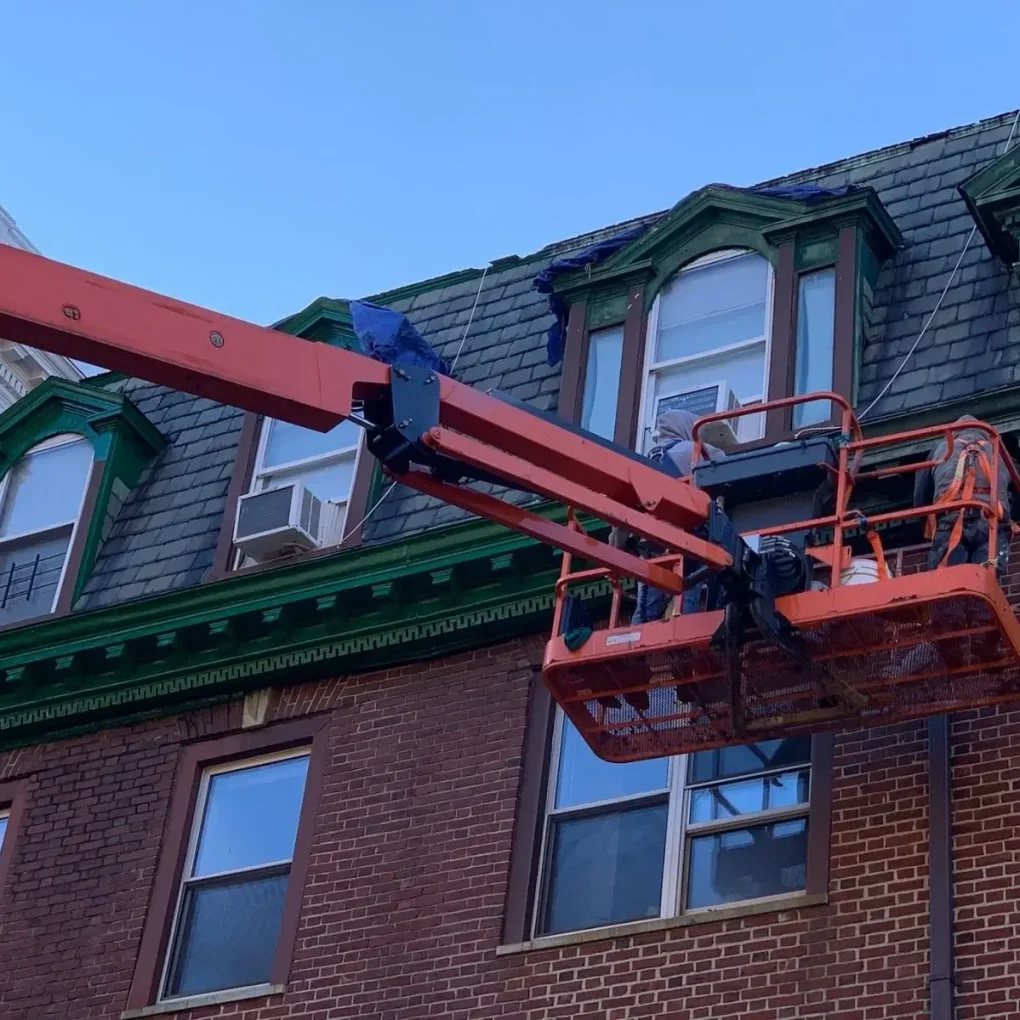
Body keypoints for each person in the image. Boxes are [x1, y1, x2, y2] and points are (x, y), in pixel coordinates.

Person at [631, 410, 724, 625]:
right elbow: (723, 462)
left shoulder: (639, 462)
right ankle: (683, 634)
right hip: (685, 540)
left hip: (652, 545)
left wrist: (616, 548)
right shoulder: (691, 450)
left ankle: (638, 644)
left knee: (646, 607)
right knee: (687, 589)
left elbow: (621, 516)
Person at [913, 415, 1015, 576]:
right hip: (990, 523)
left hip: (950, 521)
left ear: (955, 432)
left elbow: (920, 497)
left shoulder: (941, 449)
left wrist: (925, 528)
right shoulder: (999, 452)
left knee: (947, 582)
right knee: (987, 584)